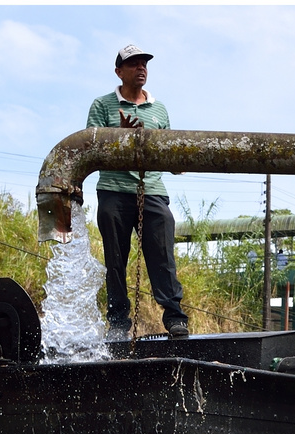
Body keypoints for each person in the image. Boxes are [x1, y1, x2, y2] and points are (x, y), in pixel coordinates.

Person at [87, 44, 189, 339]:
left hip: (153, 191)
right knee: (115, 260)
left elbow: (169, 151)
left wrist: (179, 161)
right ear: (119, 72)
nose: (141, 68)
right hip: (114, 192)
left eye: (144, 63)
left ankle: (174, 318)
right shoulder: (102, 105)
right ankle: (118, 322)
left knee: (162, 255)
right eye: (133, 64)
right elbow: (89, 148)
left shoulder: (159, 109)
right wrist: (120, 136)